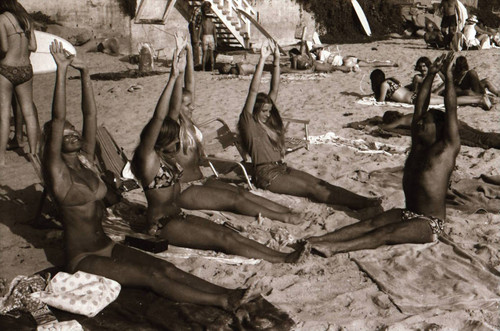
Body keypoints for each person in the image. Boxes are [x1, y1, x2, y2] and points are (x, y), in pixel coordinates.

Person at [42, 40, 267, 311]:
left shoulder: (85, 161)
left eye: (72, 130)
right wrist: (61, 72)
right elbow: (57, 119)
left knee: (165, 267)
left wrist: (87, 74)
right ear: (53, 142)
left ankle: (231, 290)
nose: (72, 134)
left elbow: (90, 114)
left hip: (106, 244)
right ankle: (223, 301)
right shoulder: (58, 174)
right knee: (151, 277)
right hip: (83, 256)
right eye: (65, 134)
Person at [131, 35, 309, 263]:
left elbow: (189, 90)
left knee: (228, 228)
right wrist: (172, 77)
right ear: (160, 139)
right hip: (163, 222)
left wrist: (184, 58)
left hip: (181, 208)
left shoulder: (167, 154)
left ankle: (284, 254)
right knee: (225, 232)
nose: (177, 143)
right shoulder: (149, 158)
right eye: (174, 140)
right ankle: (283, 258)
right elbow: (159, 117)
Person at [308, 52, 460, 256]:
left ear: (440, 128)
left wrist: (448, 77)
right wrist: (431, 74)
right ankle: (317, 240)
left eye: (427, 121)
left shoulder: (446, 149)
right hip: (408, 213)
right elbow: (419, 106)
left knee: (385, 232)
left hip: (429, 223)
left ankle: (333, 248)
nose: (420, 122)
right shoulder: (418, 144)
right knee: (370, 223)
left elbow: (451, 110)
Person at [238, 40, 381, 210]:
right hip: (266, 174)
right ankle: (362, 204)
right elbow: (253, 91)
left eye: (269, 110)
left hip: (281, 167)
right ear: (254, 110)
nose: (268, 114)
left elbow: (274, 89)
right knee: (311, 189)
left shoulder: (266, 121)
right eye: (264, 111)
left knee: (320, 183)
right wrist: (262, 59)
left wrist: (276, 60)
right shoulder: (249, 123)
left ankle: (359, 199)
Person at [171, 41, 303, 224]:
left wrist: (187, 51)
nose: (192, 106)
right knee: (236, 200)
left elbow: (190, 85)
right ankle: (284, 217)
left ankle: (286, 210)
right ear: (176, 106)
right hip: (183, 188)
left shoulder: (189, 123)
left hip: (202, 179)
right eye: (186, 105)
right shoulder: (173, 125)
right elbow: (178, 95)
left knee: (241, 192)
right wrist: (175, 74)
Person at [0, 0, 40, 166]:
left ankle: (1, 158)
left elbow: (3, 48)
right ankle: (33, 153)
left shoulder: (1, 19)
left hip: (7, 69)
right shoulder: (27, 19)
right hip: (25, 69)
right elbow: (34, 46)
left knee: (3, 114)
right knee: (28, 112)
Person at [370, 68, 492, 110]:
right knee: (447, 99)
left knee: (448, 101)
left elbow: (381, 101)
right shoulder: (390, 81)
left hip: (415, 99)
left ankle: (479, 100)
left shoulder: (383, 85)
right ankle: (478, 98)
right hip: (416, 94)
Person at [199, 1, 217, 72]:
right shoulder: (212, 24)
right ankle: (212, 68)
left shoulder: (203, 23)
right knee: (211, 54)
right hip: (211, 37)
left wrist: (199, 39)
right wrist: (215, 41)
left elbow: (200, 32)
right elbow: (215, 33)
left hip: (205, 36)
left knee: (204, 54)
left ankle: (203, 68)